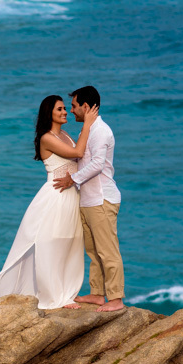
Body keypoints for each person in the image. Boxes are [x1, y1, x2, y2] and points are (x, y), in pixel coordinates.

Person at [0, 95, 98, 309]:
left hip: (72, 196)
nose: (65, 112)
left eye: (65, 108)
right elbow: (78, 152)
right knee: (51, 243)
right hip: (55, 197)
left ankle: (67, 292)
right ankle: (54, 296)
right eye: (60, 109)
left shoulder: (67, 136)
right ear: (49, 113)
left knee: (70, 243)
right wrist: (88, 123)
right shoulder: (47, 138)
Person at [53, 86, 124, 312]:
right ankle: (97, 293)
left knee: (108, 251)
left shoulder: (101, 130)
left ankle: (116, 298)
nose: (71, 111)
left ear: (85, 106)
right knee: (94, 251)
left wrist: (72, 179)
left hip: (102, 199)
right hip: (88, 200)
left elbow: (97, 164)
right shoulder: (89, 129)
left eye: (73, 106)